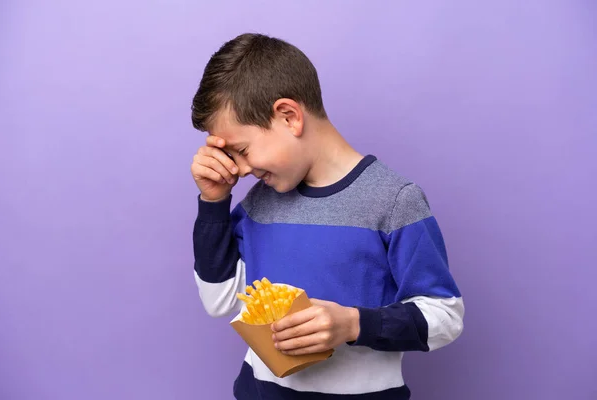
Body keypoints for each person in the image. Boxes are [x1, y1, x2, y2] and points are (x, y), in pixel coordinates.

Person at [189, 33, 464, 400]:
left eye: (242, 150)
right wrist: (213, 201)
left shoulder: (394, 200)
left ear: (289, 116)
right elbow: (219, 301)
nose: (239, 169)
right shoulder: (258, 203)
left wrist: (353, 324)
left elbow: (445, 317)